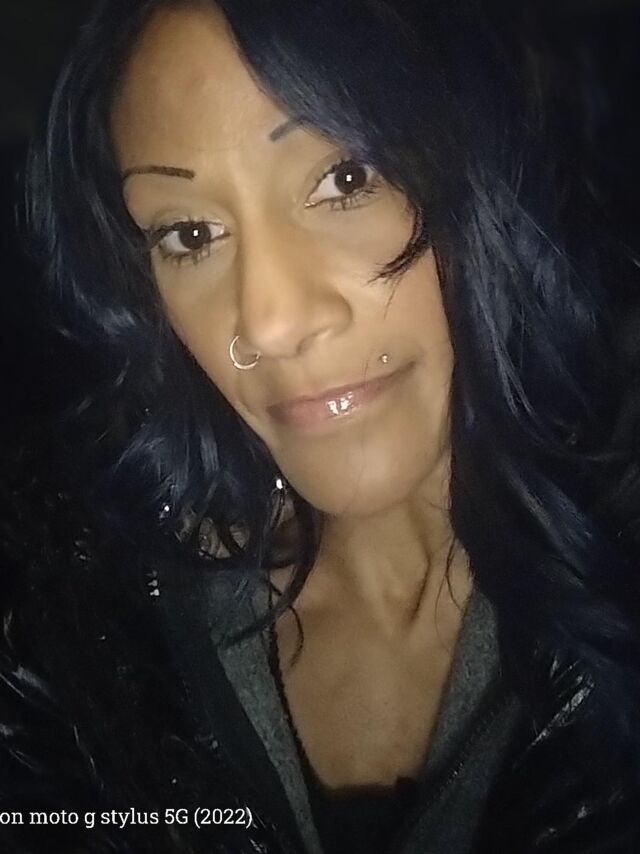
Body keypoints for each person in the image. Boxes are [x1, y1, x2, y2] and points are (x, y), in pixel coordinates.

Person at [1, 0, 639, 851]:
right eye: (190, 233)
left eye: (345, 178)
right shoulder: (79, 631)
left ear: (485, 168)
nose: (269, 322)